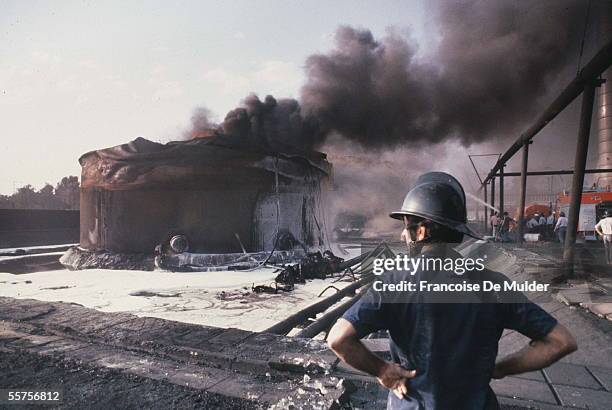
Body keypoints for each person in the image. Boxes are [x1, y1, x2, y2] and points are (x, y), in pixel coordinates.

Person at [327, 172, 577, 410]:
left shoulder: (393, 283)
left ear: (422, 231)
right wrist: (502, 368)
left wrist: (383, 370)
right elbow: (561, 342)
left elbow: (338, 338)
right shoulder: (494, 284)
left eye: (406, 226)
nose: (403, 234)